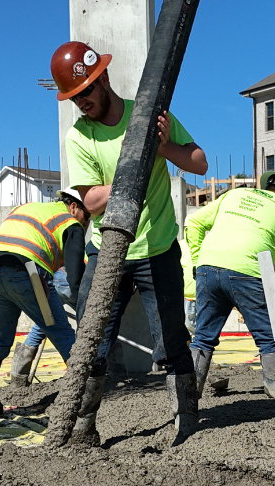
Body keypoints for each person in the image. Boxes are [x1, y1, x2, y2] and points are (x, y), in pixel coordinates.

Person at [50, 40, 208, 445]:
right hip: (107, 252)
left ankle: (187, 425)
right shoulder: (79, 137)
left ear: (102, 78)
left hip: (156, 249)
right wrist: (131, 160)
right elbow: (89, 201)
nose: (81, 102)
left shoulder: (148, 114)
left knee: (173, 339)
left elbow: (200, 163)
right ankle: (83, 428)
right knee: (93, 340)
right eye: (73, 97)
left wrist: (160, 147)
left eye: (85, 92)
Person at [186, 169, 275, 401]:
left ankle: (187, 398)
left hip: (207, 268)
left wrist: (196, 262)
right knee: (267, 339)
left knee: (202, 338)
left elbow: (193, 222)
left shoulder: (233, 195)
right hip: (248, 273)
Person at [0, 190, 92, 418]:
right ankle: (83, 395)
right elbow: (76, 277)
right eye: (88, 217)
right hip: (29, 274)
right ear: (74, 206)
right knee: (62, 333)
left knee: (0, 339)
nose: (87, 224)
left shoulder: (31, 208)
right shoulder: (69, 223)